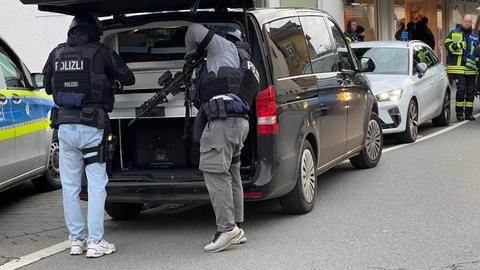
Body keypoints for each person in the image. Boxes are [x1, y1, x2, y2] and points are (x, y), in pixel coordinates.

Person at [42, 13, 135, 257]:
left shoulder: (57, 53)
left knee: (70, 187)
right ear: (95, 30)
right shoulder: (101, 51)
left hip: (64, 127)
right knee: (96, 185)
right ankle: (96, 242)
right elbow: (128, 77)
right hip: (92, 126)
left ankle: (76, 240)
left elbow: (48, 85)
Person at [184, 23, 260, 252]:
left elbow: (194, 29)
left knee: (214, 172)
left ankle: (227, 229)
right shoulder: (248, 63)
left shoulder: (224, 47)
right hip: (239, 124)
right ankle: (236, 226)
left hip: (222, 122)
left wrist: (190, 53)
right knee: (231, 172)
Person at [445, 15, 478, 121]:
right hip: (458, 67)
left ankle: (469, 113)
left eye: (469, 21)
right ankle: (459, 113)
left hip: (471, 68)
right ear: (462, 22)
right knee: (462, 89)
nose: (468, 23)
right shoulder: (454, 33)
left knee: (471, 91)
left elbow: (477, 51)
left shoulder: (474, 36)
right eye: (466, 21)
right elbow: (448, 45)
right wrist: (459, 44)